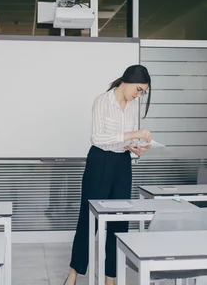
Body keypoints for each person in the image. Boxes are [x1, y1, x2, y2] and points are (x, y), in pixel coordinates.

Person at [64, 64, 153, 285]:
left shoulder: (132, 106)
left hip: (122, 163)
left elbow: (126, 139)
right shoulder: (102, 101)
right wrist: (133, 134)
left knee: (119, 220)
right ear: (128, 81)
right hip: (99, 161)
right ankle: (74, 274)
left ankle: (110, 278)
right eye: (139, 89)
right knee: (88, 219)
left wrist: (136, 147)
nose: (139, 95)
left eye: (143, 92)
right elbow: (98, 138)